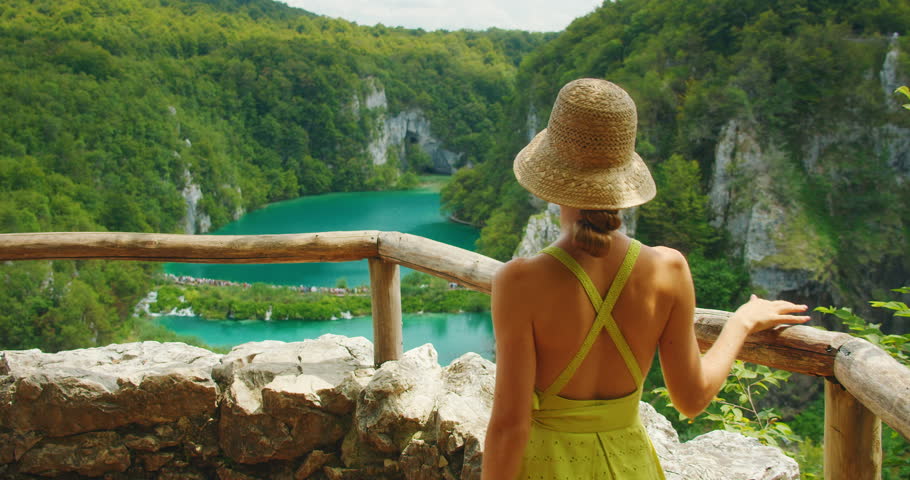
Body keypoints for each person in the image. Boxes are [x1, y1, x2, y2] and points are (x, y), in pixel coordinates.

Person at [481, 78, 811, 479]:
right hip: (631, 465)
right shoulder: (668, 269)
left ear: (552, 175)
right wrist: (741, 322)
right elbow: (691, 399)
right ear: (622, 178)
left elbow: (509, 427)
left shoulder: (519, 282)